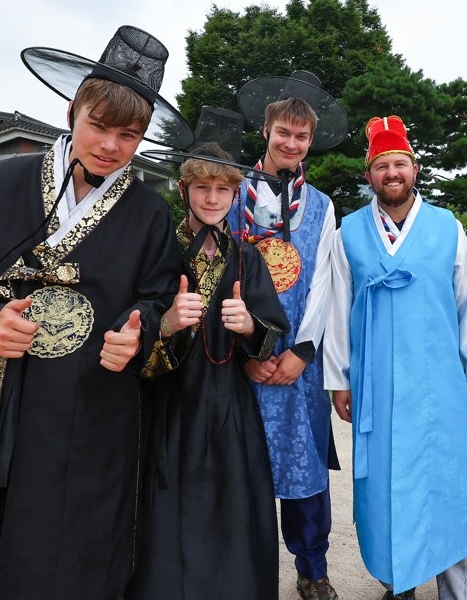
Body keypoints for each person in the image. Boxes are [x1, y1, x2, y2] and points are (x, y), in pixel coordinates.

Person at [0, 26, 193, 599]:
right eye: (98, 125)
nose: (110, 146)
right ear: (72, 112)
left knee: (74, 536)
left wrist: (137, 333)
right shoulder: (2, 184)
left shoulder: (149, 214)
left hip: (93, 402)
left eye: (128, 135)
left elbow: (157, 297)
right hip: (0, 389)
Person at [325, 115, 467, 600]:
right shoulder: (349, 232)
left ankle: (462, 590)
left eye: (400, 163)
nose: (391, 173)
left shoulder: (446, 227)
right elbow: (339, 311)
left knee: (451, 482)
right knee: (383, 488)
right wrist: (341, 379)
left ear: (414, 169)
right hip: (375, 382)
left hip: (438, 380)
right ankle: (397, 580)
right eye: (382, 166)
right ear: (369, 176)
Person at [125, 107, 289, 599]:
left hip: (229, 405)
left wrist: (250, 327)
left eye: (223, 189)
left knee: (232, 505)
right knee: (168, 507)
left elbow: (273, 330)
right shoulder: (158, 250)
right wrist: (169, 323)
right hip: (170, 403)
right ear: (184, 191)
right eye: (202, 188)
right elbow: (135, 320)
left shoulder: (248, 256)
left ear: (235, 193)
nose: (213, 198)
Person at [232, 70, 349, 600]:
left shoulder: (322, 206)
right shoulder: (231, 191)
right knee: (242, 466)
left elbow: (326, 280)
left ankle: (312, 567)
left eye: (301, 136)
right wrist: (245, 354)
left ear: (310, 141)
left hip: (301, 359)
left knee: (304, 466)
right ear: (267, 130)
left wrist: (302, 351)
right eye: (284, 132)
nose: (291, 143)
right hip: (241, 354)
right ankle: (244, 570)